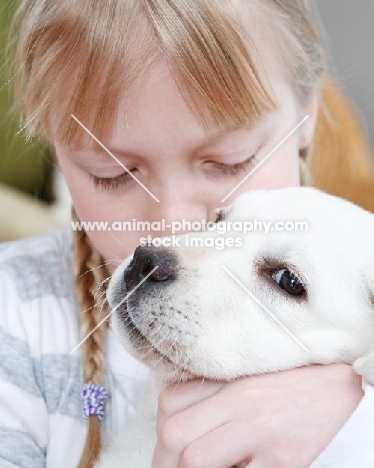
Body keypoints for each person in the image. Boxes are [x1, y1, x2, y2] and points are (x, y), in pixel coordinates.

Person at [1, 0, 373, 467]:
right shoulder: (13, 316)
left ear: (306, 116)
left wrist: (356, 429)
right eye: (112, 173)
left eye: (228, 161)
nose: (172, 232)